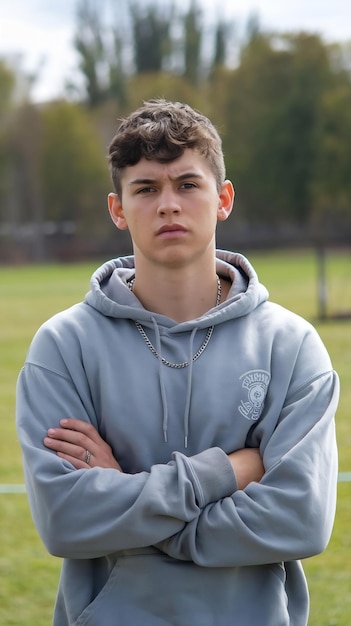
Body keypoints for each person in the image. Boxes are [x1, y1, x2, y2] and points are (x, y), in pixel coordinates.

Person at [16, 99, 339, 626]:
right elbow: (67, 521)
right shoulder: (63, 347)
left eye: (187, 184)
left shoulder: (291, 345)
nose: (169, 204)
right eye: (146, 188)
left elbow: (300, 520)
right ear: (118, 209)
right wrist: (229, 471)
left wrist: (126, 502)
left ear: (223, 198)